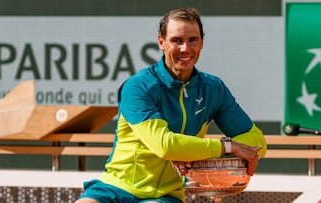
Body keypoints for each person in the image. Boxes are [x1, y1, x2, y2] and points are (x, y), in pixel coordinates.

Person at [75, 8, 267, 203]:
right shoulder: (138, 86)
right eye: (177, 41)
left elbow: (256, 141)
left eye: (192, 40)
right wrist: (227, 146)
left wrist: (203, 159)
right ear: (161, 42)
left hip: (166, 196)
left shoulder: (213, 88)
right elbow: (165, 146)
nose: (185, 48)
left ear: (202, 42)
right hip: (116, 188)